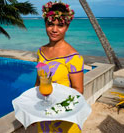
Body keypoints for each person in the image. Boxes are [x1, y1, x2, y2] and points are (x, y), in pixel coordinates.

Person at [34, 1, 84, 132]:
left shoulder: (73, 57)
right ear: (45, 24)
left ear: (67, 27)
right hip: (44, 116)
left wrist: (61, 111)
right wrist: (33, 109)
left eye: (60, 25)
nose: (54, 30)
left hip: (64, 119)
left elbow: (78, 90)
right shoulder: (41, 51)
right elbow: (38, 82)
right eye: (50, 24)